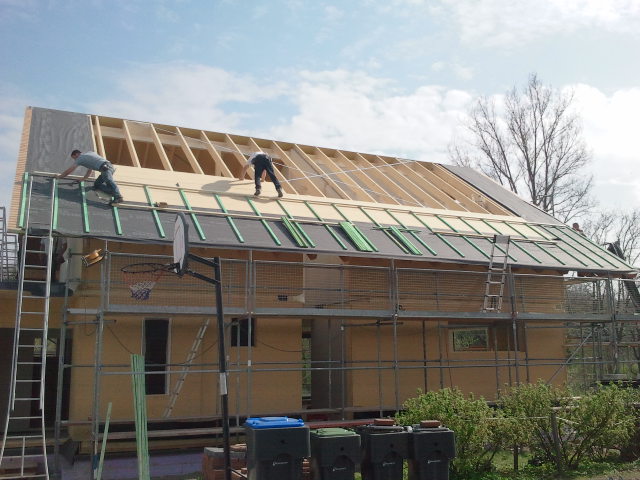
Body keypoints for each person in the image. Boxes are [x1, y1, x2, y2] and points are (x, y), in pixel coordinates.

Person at [58, 150, 123, 205]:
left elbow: (70, 170)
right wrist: (83, 179)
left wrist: (60, 176)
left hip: (106, 168)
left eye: (74, 158)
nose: (75, 160)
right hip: (106, 168)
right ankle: (113, 191)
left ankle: (118, 197)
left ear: (77, 154)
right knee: (97, 185)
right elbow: (90, 170)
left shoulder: (80, 158)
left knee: (109, 181)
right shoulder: (89, 154)